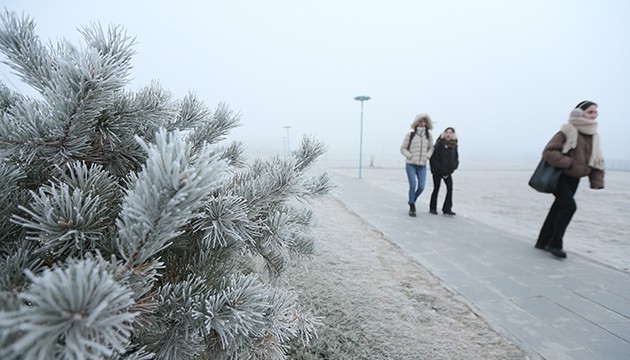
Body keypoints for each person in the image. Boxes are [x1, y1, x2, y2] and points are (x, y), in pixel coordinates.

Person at [534, 101, 604, 259]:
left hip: (575, 179)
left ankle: (542, 241)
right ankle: (555, 244)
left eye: (595, 113)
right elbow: (549, 151)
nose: (594, 115)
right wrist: (569, 163)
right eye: (590, 112)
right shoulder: (567, 131)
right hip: (560, 176)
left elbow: (596, 160)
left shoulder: (593, 136)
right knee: (569, 206)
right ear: (579, 113)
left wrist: (597, 181)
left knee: (558, 208)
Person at [400, 113, 434, 217]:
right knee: (413, 184)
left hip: (422, 165)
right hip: (411, 164)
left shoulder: (428, 136)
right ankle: (412, 207)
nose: (422, 123)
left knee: (421, 186)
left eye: (424, 121)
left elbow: (431, 148)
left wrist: (427, 156)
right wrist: (409, 156)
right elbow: (403, 148)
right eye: (420, 121)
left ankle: (411, 200)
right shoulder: (410, 135)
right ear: (416, 122)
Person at [429, 127, 459, 215]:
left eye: (450, 133)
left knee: (450, 188)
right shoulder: (438, 144)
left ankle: (447, 209)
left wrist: (454, 166)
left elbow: (455, 158)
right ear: (444, 134)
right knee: (436, 188)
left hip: (448, 172)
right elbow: (433, 158)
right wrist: (437, 169)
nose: (448, 134)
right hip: (437, 171)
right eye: (447, 132)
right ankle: (433, 208)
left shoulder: (454, 145)